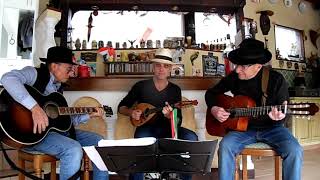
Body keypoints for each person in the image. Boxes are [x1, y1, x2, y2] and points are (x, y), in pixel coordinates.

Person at [1, 46, 109, 180]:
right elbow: (7, 78)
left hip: (56, 134)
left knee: (99, 141)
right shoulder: (34, 74)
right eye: (68, 69)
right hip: (33, 136)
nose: (70, 73)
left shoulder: (58, 90)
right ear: (54, 66)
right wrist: (35, 108)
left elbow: (64, 123)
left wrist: (89, 115)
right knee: (73, 149)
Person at [205, 39, 303, 180]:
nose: (237, 69)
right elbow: (211, 93)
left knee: (294, 150)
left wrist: (281, 116)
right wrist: (214, 108)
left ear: (258, 66)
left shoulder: (276, 80)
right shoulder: (234, 77)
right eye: (237, 64)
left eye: (243, 66)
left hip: (272, 128)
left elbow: (284, 110)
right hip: (242, 130)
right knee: (225, 146)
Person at [118, 48, 198, 180]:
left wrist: (169, 116)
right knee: (140, 144)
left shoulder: (175, 90)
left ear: (170, 69)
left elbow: (178, 120)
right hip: (146, 129)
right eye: (158, 65)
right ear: (153, 68)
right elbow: (121, 107)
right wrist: (131, 112)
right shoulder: (141, 86)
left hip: (169, 129)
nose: (161, 69)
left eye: (166, 66)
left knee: (191, 137)